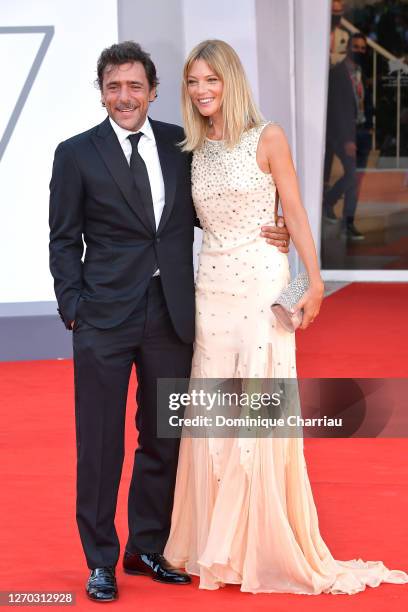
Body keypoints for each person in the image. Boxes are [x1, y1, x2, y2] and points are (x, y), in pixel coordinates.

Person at [164, 39, 408, 594]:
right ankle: (214, 544)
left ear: (232, 81)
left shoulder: (267, 136)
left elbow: (294, 208)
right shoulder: (193, 149)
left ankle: (260, 543)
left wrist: (314, 281)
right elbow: (202, 218)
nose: (202, 90)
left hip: (260, 285)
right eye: (193, 82)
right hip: (212, 289)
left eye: (211, 80)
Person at [48, 41, 289, 602]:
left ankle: (147, 545)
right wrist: (75, 308)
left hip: (174, 315)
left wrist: (272, 226)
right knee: (101, 443)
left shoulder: (183, 147)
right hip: (104, 319)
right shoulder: (75, 153)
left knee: (164, 436)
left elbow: (227, 199)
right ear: (102, 91)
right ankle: (101, 558)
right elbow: (63, 240)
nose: (125, 96)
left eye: (135, 86)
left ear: (153, 91)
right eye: (114, 86)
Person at [323, 33, 372, 241]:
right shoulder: (337, 73)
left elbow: (363, 102)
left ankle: (347, 221)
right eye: (356, 47)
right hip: (346, 135)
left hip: (362, 132)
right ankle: (332, 205)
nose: (360, 50)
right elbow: (338, 109)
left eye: (363, 48)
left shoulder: (362, 72)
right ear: (348, 47)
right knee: (351, 175)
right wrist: (347, 139)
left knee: (356, 177)